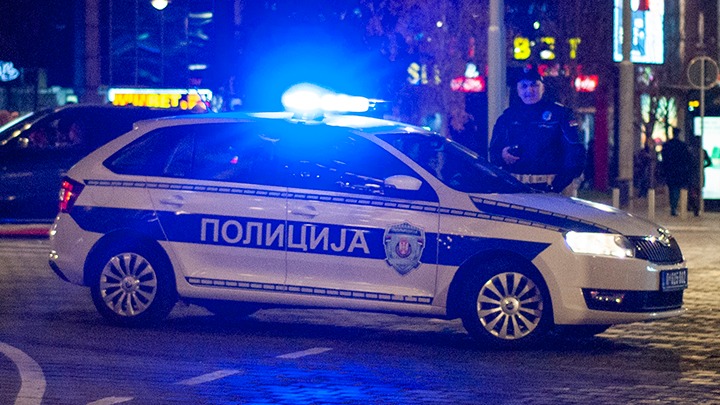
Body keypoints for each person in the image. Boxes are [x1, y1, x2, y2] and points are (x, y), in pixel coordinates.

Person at [489, 67, 586, 195]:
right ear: (517, 90)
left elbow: (575, 152)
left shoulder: (560, 114)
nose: (529, 90)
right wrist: (502, 155)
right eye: (524, 86)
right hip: (516, 188)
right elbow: (493, 151)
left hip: (553, 187)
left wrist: (558, 185)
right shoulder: (508, 117)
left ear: (543, 88)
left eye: (534, 85)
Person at [660, 131, 692, 216]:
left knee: (672, 188)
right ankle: (674, 207)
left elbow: (664, 158)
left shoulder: (667, 145)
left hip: (669, 170)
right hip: (679, 171)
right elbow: (687, 158)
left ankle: (673, 206)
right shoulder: (682, 145)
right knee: (676, 189)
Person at [687, 136, 712, 216]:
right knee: (698, 191)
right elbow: (709, 162)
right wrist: (702, 166)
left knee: (694, 190)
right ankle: (696, 206)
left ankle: (695, 206)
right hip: (698, 173)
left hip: (693, 173)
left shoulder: (691, 151)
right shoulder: (702, 151)